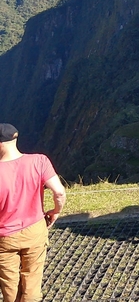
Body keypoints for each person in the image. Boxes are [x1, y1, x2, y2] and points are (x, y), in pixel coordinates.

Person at [0, 123, 66, 302]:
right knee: (32, 280)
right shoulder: (39, 161)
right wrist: (56, 211)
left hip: (4, 236)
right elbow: (59, 192)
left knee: (9, 285)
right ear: (15, 138)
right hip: (35, 229)